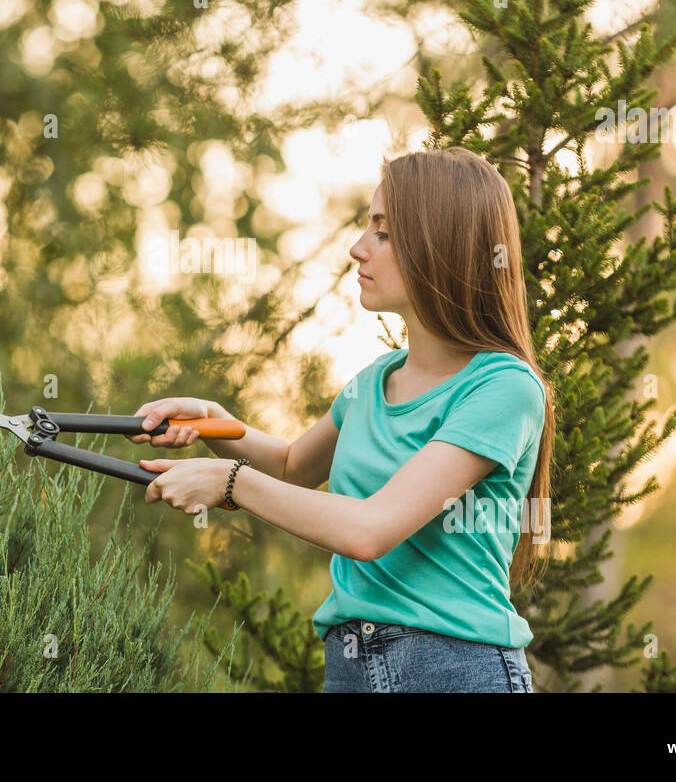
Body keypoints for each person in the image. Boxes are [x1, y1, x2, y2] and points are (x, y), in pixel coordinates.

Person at [130, 146, 554, 692]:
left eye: (382, 231)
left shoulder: (503, 388)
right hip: (352, 668)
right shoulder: (374, 381)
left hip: (454, 671)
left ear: (439, 245)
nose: (357, 248)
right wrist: (215, 423)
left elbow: (369, 529)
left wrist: (228, 483)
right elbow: (289, 467)